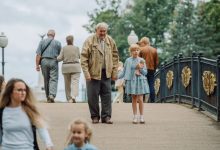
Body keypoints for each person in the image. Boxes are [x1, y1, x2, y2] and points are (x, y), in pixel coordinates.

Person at [81, 22, 119, 124]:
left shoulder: (110, 40)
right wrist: (86, 73)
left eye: (104, 31)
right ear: (96, 31)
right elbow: (83, 58)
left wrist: (114, 72)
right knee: (92, 96)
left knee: (107, 95)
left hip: (106, 73)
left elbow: (115, 57)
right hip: (93, 73)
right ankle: (95, 117)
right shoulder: (89, 40)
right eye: (101, 31)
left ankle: (106, 117)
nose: (103, 33)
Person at [0, 78, 53, 150]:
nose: (23, 93)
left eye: (24, 90)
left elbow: (42, 128)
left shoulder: (30, 110)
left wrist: (48, 144)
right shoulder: (2, 111)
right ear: (10, 92)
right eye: (19, 90)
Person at [118, 44, 149, 124]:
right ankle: (135, 116)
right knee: (134, 99)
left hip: (140, 81)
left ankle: (141, 116)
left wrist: (140, 68)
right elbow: (124, 72)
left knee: (141, 99)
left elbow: (145, 73)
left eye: (137, 50)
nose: (136, 52)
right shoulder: (128, 60)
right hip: (132, 81)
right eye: (134, 50)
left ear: (139, 51)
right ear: (131, 52)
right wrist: (115, 77)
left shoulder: (142, 60)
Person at [36, 29, 61, 103]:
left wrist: (37, 65)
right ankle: (52, 95)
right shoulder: (58, 43)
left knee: (46, 79)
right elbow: (60, 55)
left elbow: (38, 55)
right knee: (53, 79)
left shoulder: (42, 42)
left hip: (44, 61)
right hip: (54, 61)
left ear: (47, 35)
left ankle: (48, 96)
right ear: (54, 35)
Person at [57, 35, 81, 103]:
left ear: (66, 41)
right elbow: (79, 56)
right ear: (73, 40)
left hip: (66, 67)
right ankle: (73, 96)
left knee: (67, 84)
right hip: (76, 67)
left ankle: (69, 99)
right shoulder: (76, 48)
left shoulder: (64, 48)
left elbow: (60, 58)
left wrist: (55, 58)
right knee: (75, 83)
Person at [139, 37, 159, 103]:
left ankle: (142, 99)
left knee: (142, 84)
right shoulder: (154, 50)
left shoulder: (141, 50)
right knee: (151, 84)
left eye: (141, 43)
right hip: (151, 69)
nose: (140, 44)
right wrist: (154, 69)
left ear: (144, 42)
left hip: (143, 70)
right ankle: (152, 100)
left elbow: (138, 60)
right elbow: (156, 62)